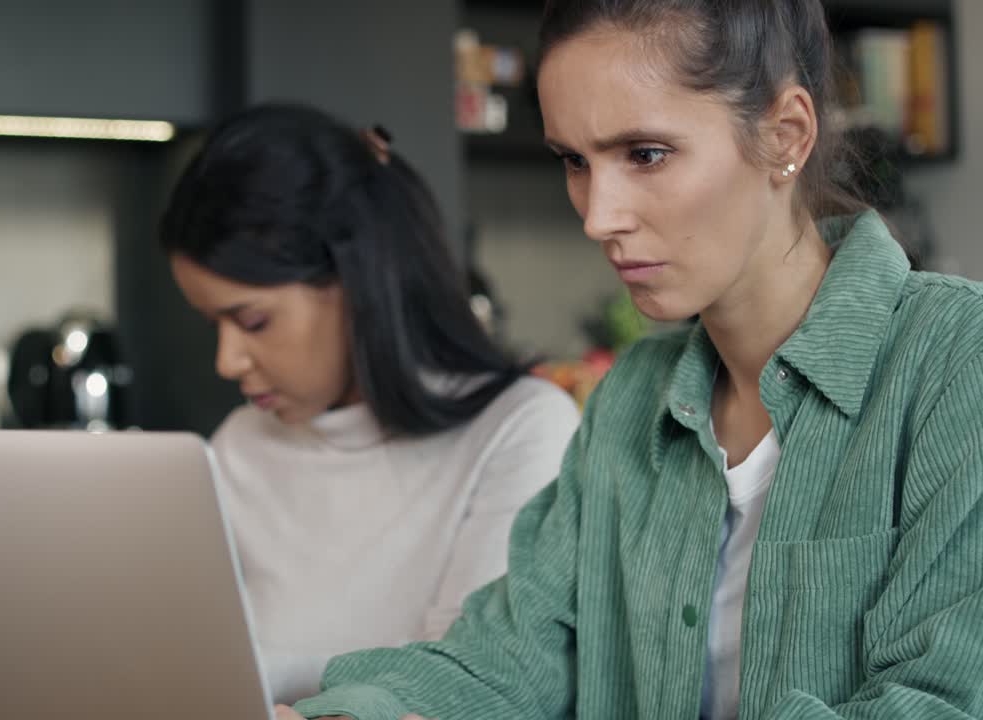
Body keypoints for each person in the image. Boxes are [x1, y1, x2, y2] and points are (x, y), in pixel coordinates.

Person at [277, 1, 983, 718]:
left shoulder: (958, 361)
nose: (597, 216)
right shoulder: (631, 400)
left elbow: (939, 702)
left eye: (645, 154)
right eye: (574, 162)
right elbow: (511, 658)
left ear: (786, 134)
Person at [158, 103, 581, 704]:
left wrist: (252, 675)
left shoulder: (519, 430)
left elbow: (464, 682)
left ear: (358, 283)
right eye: (213, 325)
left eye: (252, 321)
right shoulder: (238, 446)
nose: (227, 362)